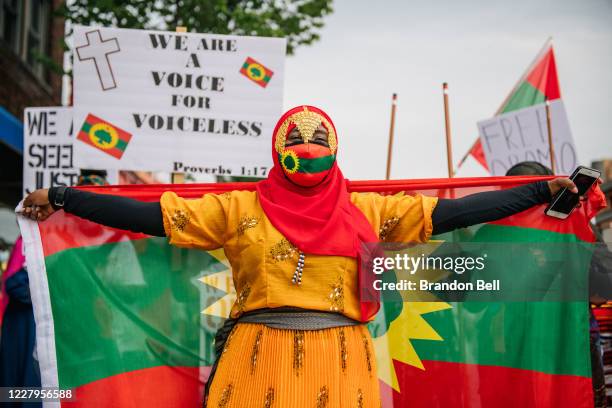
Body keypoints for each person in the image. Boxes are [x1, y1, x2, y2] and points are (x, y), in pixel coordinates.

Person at [22, 106, 580, 407]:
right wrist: (65, 196)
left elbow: (454, 213)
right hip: (256, 360)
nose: (307, 169)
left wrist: (539, 191)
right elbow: (151, 219)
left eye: (318, 159)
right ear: (277, 155)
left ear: (334, 156)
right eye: (297, 159)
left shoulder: (369, 208)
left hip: (342, 367)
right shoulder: (237, 206)